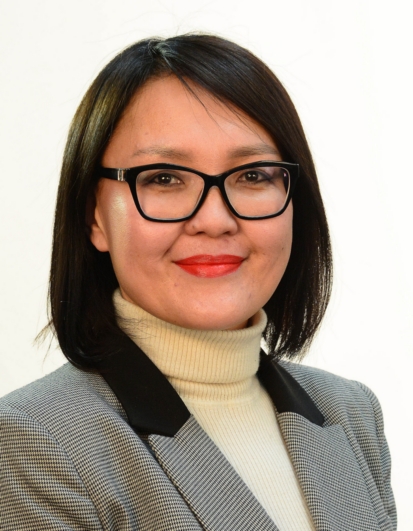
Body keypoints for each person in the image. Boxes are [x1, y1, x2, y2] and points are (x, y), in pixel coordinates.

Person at [0, 35, 396, 531]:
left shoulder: (351, 414)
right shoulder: (38, 440)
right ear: (94, 217)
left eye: (253, 176)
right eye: (164, 178)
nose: (214, 220)